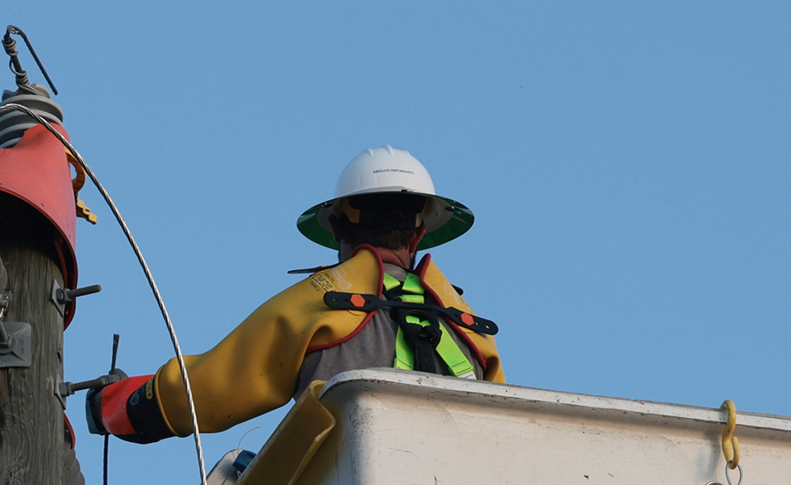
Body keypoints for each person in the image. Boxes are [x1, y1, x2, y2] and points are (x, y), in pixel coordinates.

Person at [84, 148, 502, 443]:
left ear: (337, 228)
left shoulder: (316, 304)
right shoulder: (472, 330)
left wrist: (117, 405)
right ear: (419, 233)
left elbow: (208, 392)